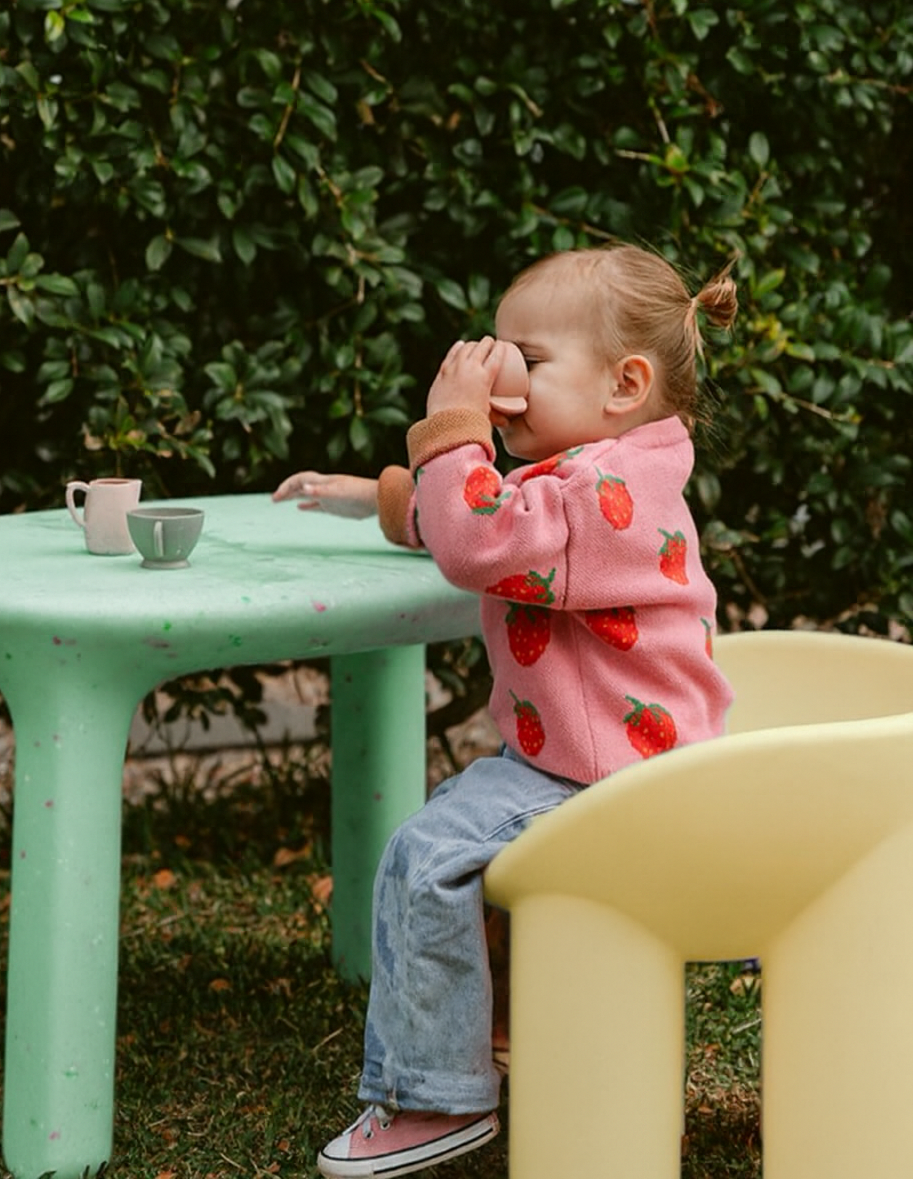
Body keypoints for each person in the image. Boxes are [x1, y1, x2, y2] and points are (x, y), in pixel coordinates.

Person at [273, 242, 738, 1178]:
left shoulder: (609, 498)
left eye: (528, 359)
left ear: (624, 384)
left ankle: (433, 1100)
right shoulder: (591, 465)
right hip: (589, 756)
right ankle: (508, 1031)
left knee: (425, 857)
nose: (505, 381)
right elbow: (469, 512)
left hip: (612, 776)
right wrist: (371, 496)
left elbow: (482, 536)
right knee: (477, 844)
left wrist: (452, 428)